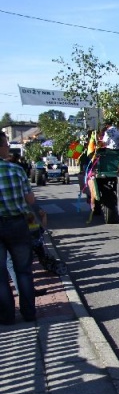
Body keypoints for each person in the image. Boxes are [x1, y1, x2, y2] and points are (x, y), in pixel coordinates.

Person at [0, 130, 37, 324]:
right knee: (23, 271)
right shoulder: (16, 170)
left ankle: (6, 317)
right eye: (6, 144)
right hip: (17, 224)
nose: (8, 147)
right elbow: (30, 199)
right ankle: (29, 314)